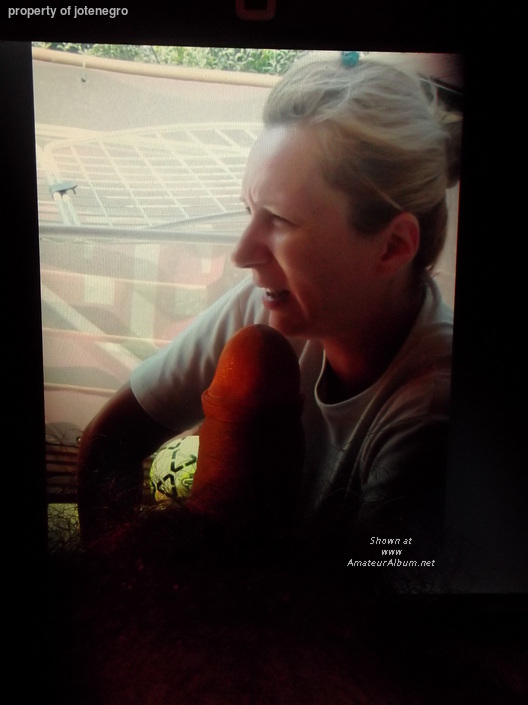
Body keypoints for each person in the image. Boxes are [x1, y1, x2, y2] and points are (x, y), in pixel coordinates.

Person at [77, 52, 463, 590]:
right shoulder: (272, 303)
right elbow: (111, 443)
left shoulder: (431, 411)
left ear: (392, 246)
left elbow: (374, 609)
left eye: (279, 219)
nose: (241, 254)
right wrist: (120, 595)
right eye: (249, 210)